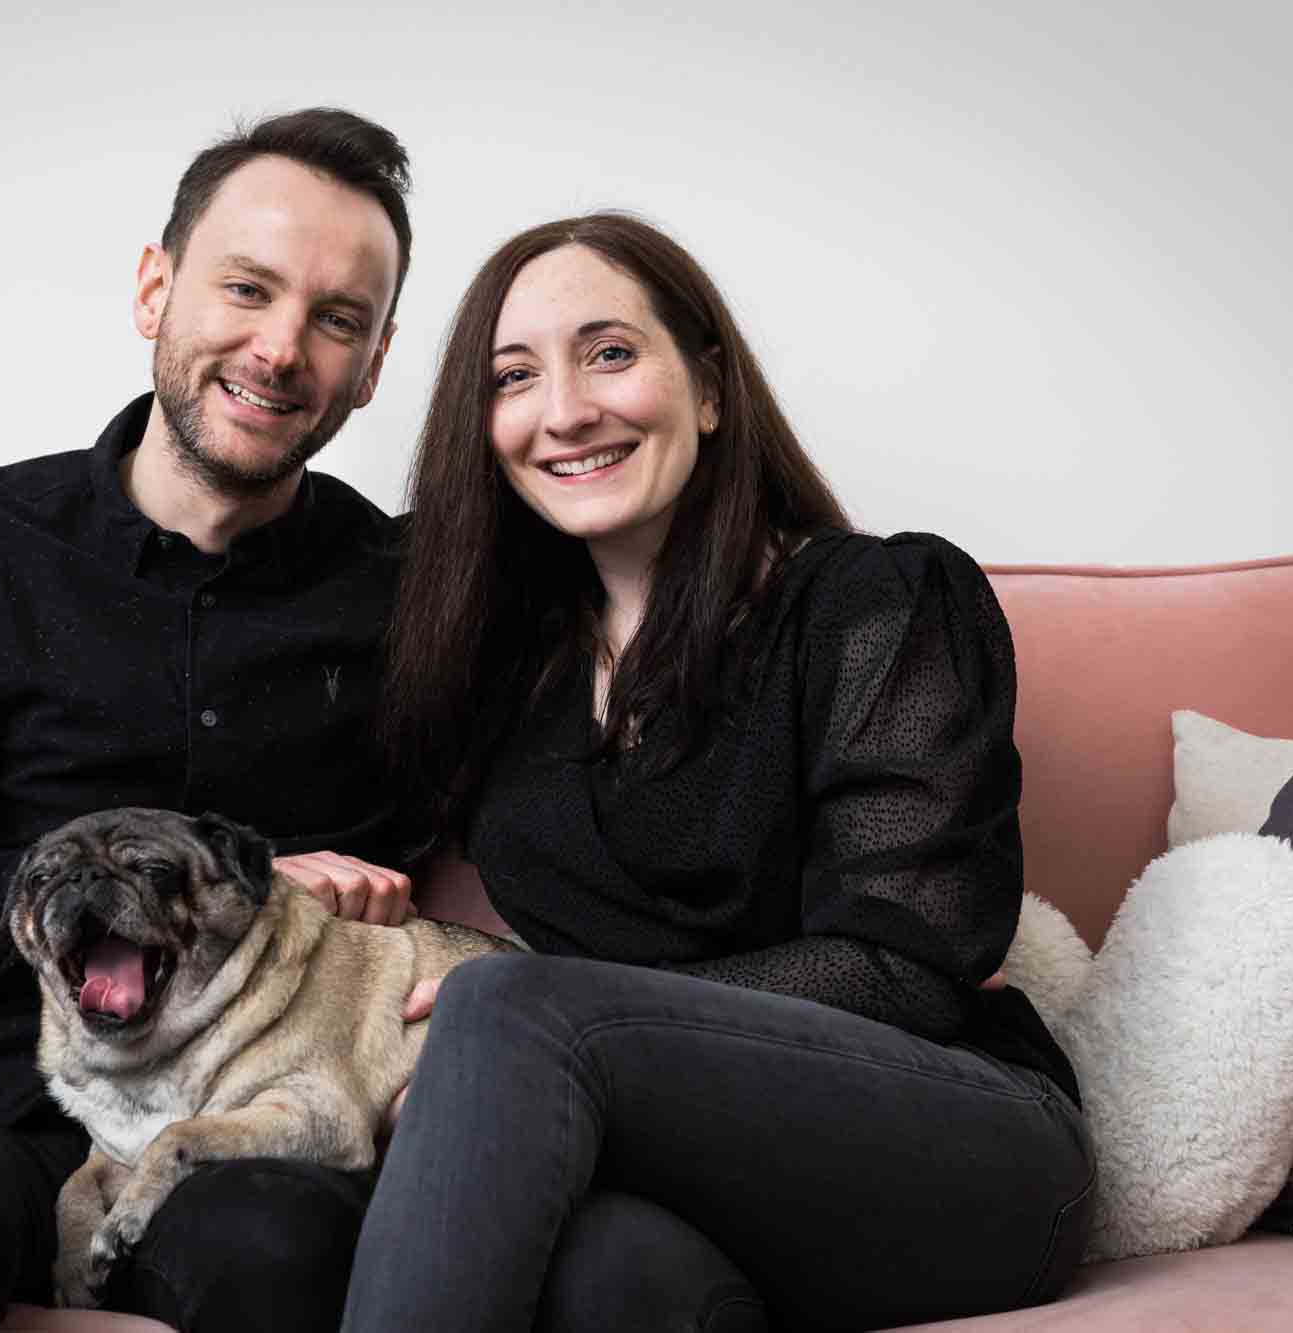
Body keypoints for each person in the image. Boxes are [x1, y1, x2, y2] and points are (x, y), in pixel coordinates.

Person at [346, 213, 1094, 1333]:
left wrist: (550, 1022)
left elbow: (909, 968)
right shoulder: (503, 664)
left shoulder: (874, 602)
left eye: (607, 353)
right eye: (513, 377)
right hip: (679, 1183)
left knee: (505, 1003)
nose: (563, 410)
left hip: (959, 1150)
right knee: (606, 1277)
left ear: (705, 388)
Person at [0, 107, 422, 1333]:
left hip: (242, 1107)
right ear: (155, 288)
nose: (281, 348)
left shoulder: (413, 594)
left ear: (375, 363)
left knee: (282, 1262)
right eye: (246, 288)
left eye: (335, 318)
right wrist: (159, 890)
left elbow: (561, 819)